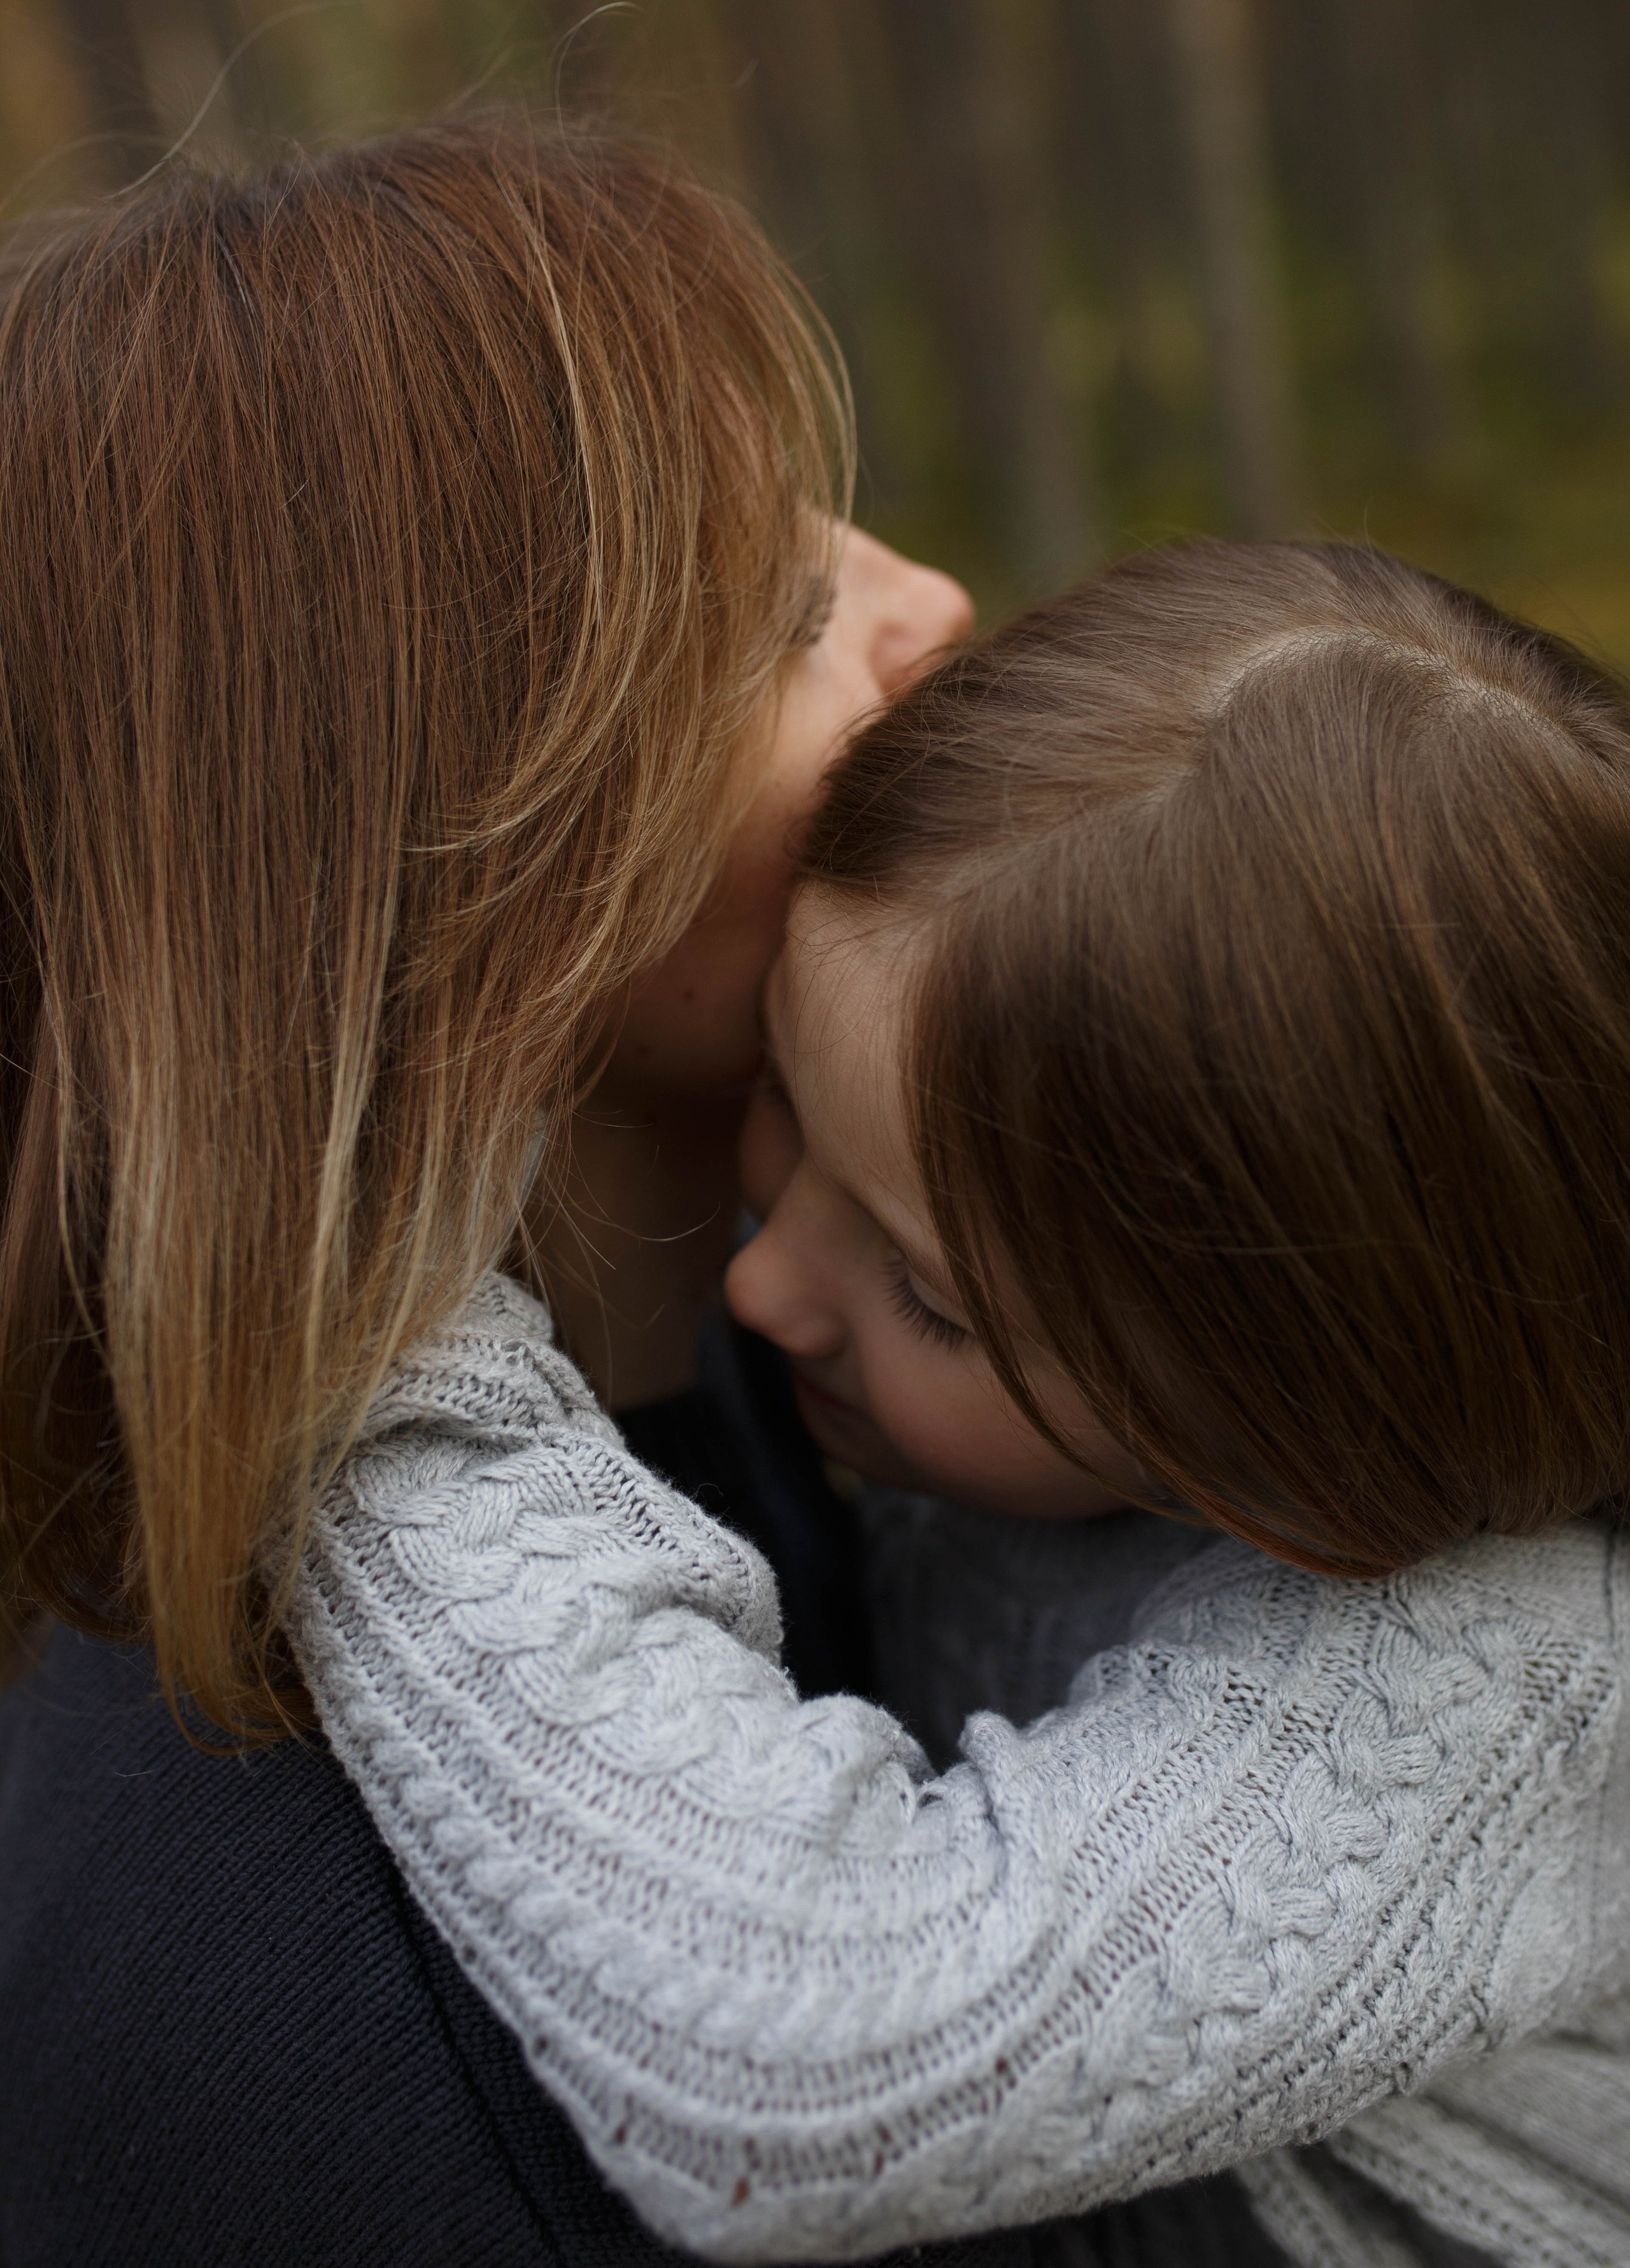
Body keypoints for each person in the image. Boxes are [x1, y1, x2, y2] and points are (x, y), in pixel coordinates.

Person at [293, 543, 1630, 2268]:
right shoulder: (1013, 1323)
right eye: (783, 1093)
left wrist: (389, 1367)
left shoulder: (1488, 1691)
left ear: (1299, 1445)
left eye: (928, 1298)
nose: (770, 1285)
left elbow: (804, 2062)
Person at [0, 118, 986, 2265]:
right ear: (463, 875)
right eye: (783, 612)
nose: (938, 608)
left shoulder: (804, 1352)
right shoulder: (314, 2022)